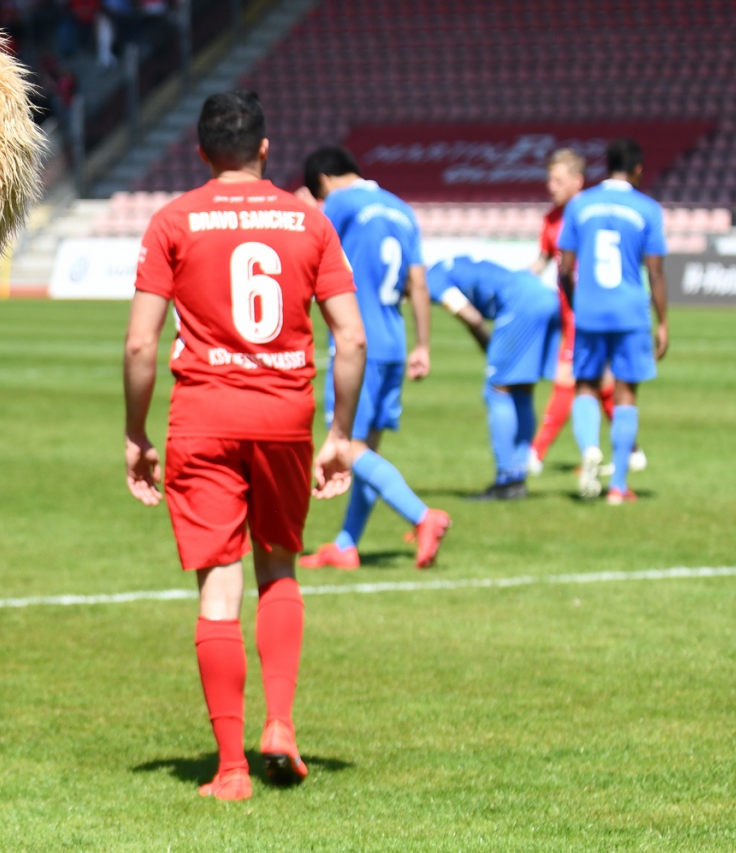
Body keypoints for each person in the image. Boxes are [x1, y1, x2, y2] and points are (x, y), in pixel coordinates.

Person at [124, 90, 365, 802]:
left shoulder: (174, 220)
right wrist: (340, 435)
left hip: (203, 417)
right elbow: (351, 339)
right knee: (279, 565)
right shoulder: (309, 220)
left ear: (201, 152)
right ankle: (280, 725)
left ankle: (231, 768)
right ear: (265, 148)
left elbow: (140, 343)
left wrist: (136, 434)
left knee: (219, 585)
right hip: (286, 416)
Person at [299, 146, 451, 569]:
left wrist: (304, 208)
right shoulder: (401, 210)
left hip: (356, 341)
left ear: (324, 182)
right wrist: (423, 345)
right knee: (366, 450)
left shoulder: (339, 203)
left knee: (346, 446)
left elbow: (304, 244)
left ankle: (423, 516)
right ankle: (346, 545)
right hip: (394, 341)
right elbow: (418, 283)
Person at [556, 138, 667, 504]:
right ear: (637, 169)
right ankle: (618, 486)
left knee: (586, 385)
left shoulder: (580, 205)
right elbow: (655, 272)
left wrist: (577, 304)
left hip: (590, 310)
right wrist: (663, 322)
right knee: (626, 392)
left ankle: (590, 448)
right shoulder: (647, 209)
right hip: (630, 312)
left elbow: (565, 267)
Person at [424, 256, 563, 499]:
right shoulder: (449, 264)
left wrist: (492, 353)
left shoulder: (432, 279)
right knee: (521, 390)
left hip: (521, 303)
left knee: (497, 390)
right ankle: (519, 474)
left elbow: (472, 317)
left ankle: (507, 477)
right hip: (545, 297)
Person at [528, 148, 624, 485]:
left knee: (569, 378)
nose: (550, 186)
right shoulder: (551, 219)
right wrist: (516, 284)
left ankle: (536, 453)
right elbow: (543, 260)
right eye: (549, 179)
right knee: (602, 381)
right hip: (569, 311)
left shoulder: (592, 214)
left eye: (558, 180)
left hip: (592, 312)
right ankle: (630, 451)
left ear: (577, 182)